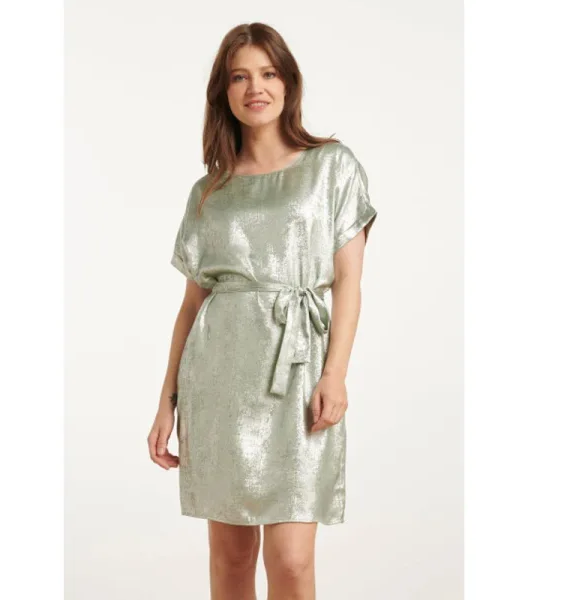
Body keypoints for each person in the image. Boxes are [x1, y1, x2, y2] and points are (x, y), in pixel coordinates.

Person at [148, 22, 377, 600]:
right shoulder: (209, 191)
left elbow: (349, 283)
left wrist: (335, 374)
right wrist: (166, 400)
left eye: (269, 73)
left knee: (292, 561)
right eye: (240, 77)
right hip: (218, 381)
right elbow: (191, 305)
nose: (256, 88)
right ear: (223, 92)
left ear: (288, 83)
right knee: (230, 558)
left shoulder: (332, 167)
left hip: (297, 375)